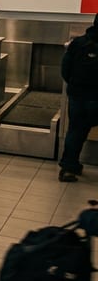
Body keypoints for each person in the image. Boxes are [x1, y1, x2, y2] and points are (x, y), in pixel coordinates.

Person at [58, 13, 98, 183]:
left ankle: (68, 169)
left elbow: (65, 69)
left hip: (78, 96)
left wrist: (74, 87)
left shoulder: (78, 43)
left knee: (75, 131)